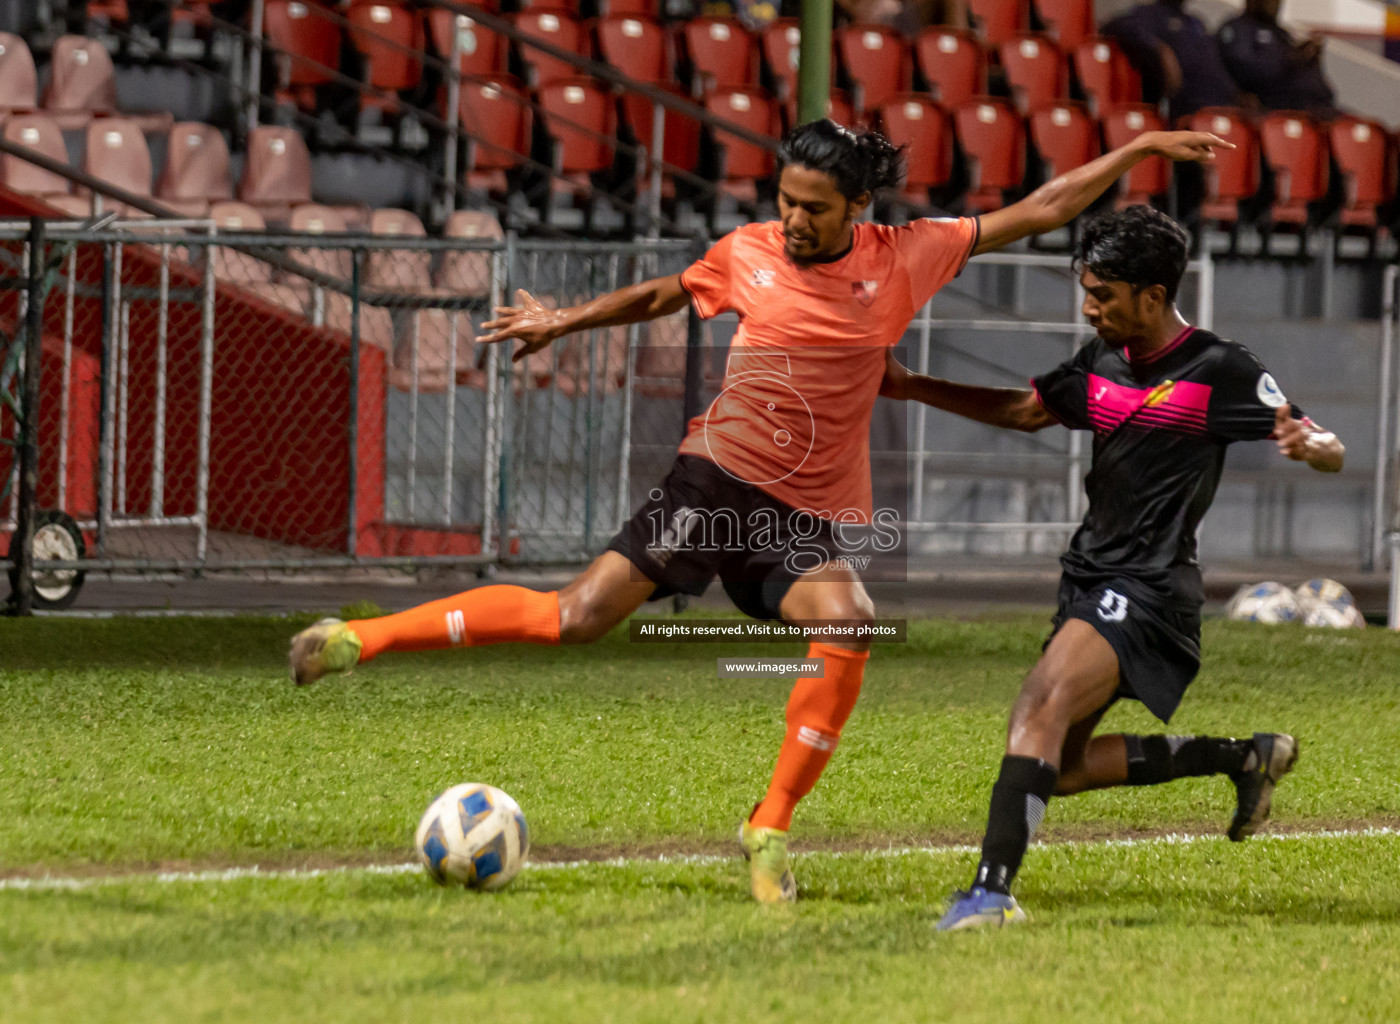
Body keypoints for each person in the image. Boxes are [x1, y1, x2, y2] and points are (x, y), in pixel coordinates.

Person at [288, 120, 1231, 906]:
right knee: (575, 617)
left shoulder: (908, 257)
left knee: (850, 624)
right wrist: (564, 320)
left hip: (804, 517)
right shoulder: (747, 252)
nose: (791, 220)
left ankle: (768, 829)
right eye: (784, 200)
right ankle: (356, 641)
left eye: (813, 209)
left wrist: (1135, 147)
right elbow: (668, 291)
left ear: (858, 210)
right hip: (716, 485)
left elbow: (1043, 210)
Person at [877, 205, 1346, 930]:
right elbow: (1029, 410)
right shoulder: (1100, 362)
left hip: (1150, 589)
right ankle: (1243, 757)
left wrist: (1312, 448)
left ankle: (989, 894)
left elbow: (1324, 441)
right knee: (1058, 767)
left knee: (1036, 704)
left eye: (1103, 295)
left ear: (1153, 296)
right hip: (1090, 580)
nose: (1089, 308)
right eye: (1086, 291)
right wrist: (913, 386)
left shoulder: (1220, 369)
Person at [1102, 0, 1239, 121]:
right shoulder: (1148, 15)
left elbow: (1216, 67)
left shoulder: (1196, 23)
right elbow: (1113, 26)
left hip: (1217, 106)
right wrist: (1159, 49)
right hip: (1182, 108)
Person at [1218, 0, 1338, 116]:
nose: (1275, 5)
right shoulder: (1237, 29)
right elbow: (1245, 66)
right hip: (1276, 108)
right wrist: (1291, 59)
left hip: (1318, 107)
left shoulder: (1280, 34)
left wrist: (1307, 56)